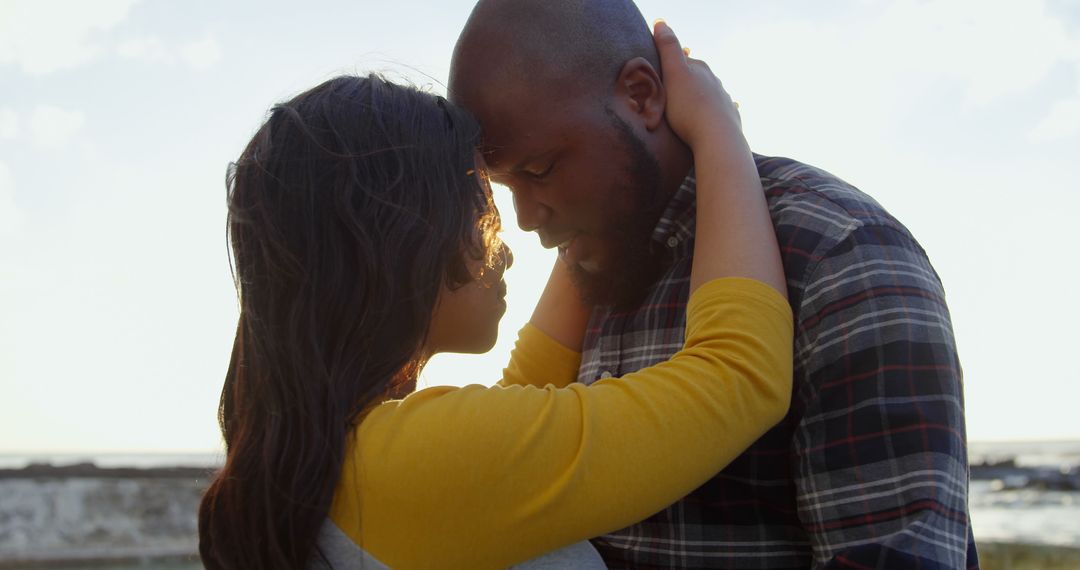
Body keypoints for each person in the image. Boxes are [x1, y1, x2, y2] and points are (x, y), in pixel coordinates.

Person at [197, 23, 793, 570]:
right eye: (482, 208)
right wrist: (718, 131)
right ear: (404, 242)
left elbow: (531, 397)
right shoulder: (422, 463)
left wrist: (589, 212)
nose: (511, 242)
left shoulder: (341, 463)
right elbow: (738, 376)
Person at [449, 2, 979, 568]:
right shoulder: (599, 258)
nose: (526, 218)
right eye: (507, 188)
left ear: (643, 95)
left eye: (539, 171)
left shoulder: (840, 255)